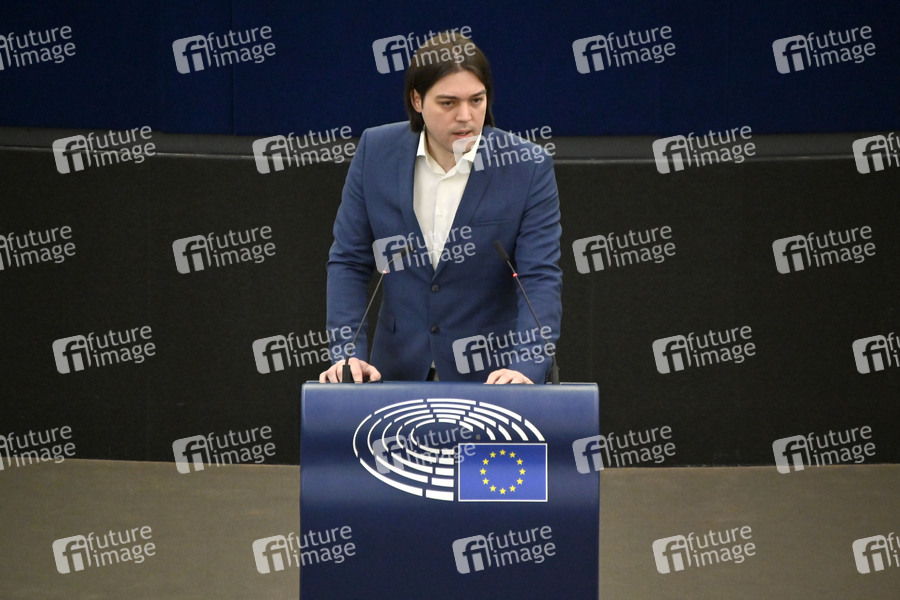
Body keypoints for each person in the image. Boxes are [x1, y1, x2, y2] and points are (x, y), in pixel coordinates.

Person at [319, 32, 561, 384]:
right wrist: (347, 355)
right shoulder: (375, 152)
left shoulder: (527, 166)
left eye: (477, 100)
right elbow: (348, 261)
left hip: (494, 379)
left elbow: (539, 277)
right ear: (417, 100)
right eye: (448, 103)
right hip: (394, 374)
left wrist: (526, 367)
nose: (466, 116)